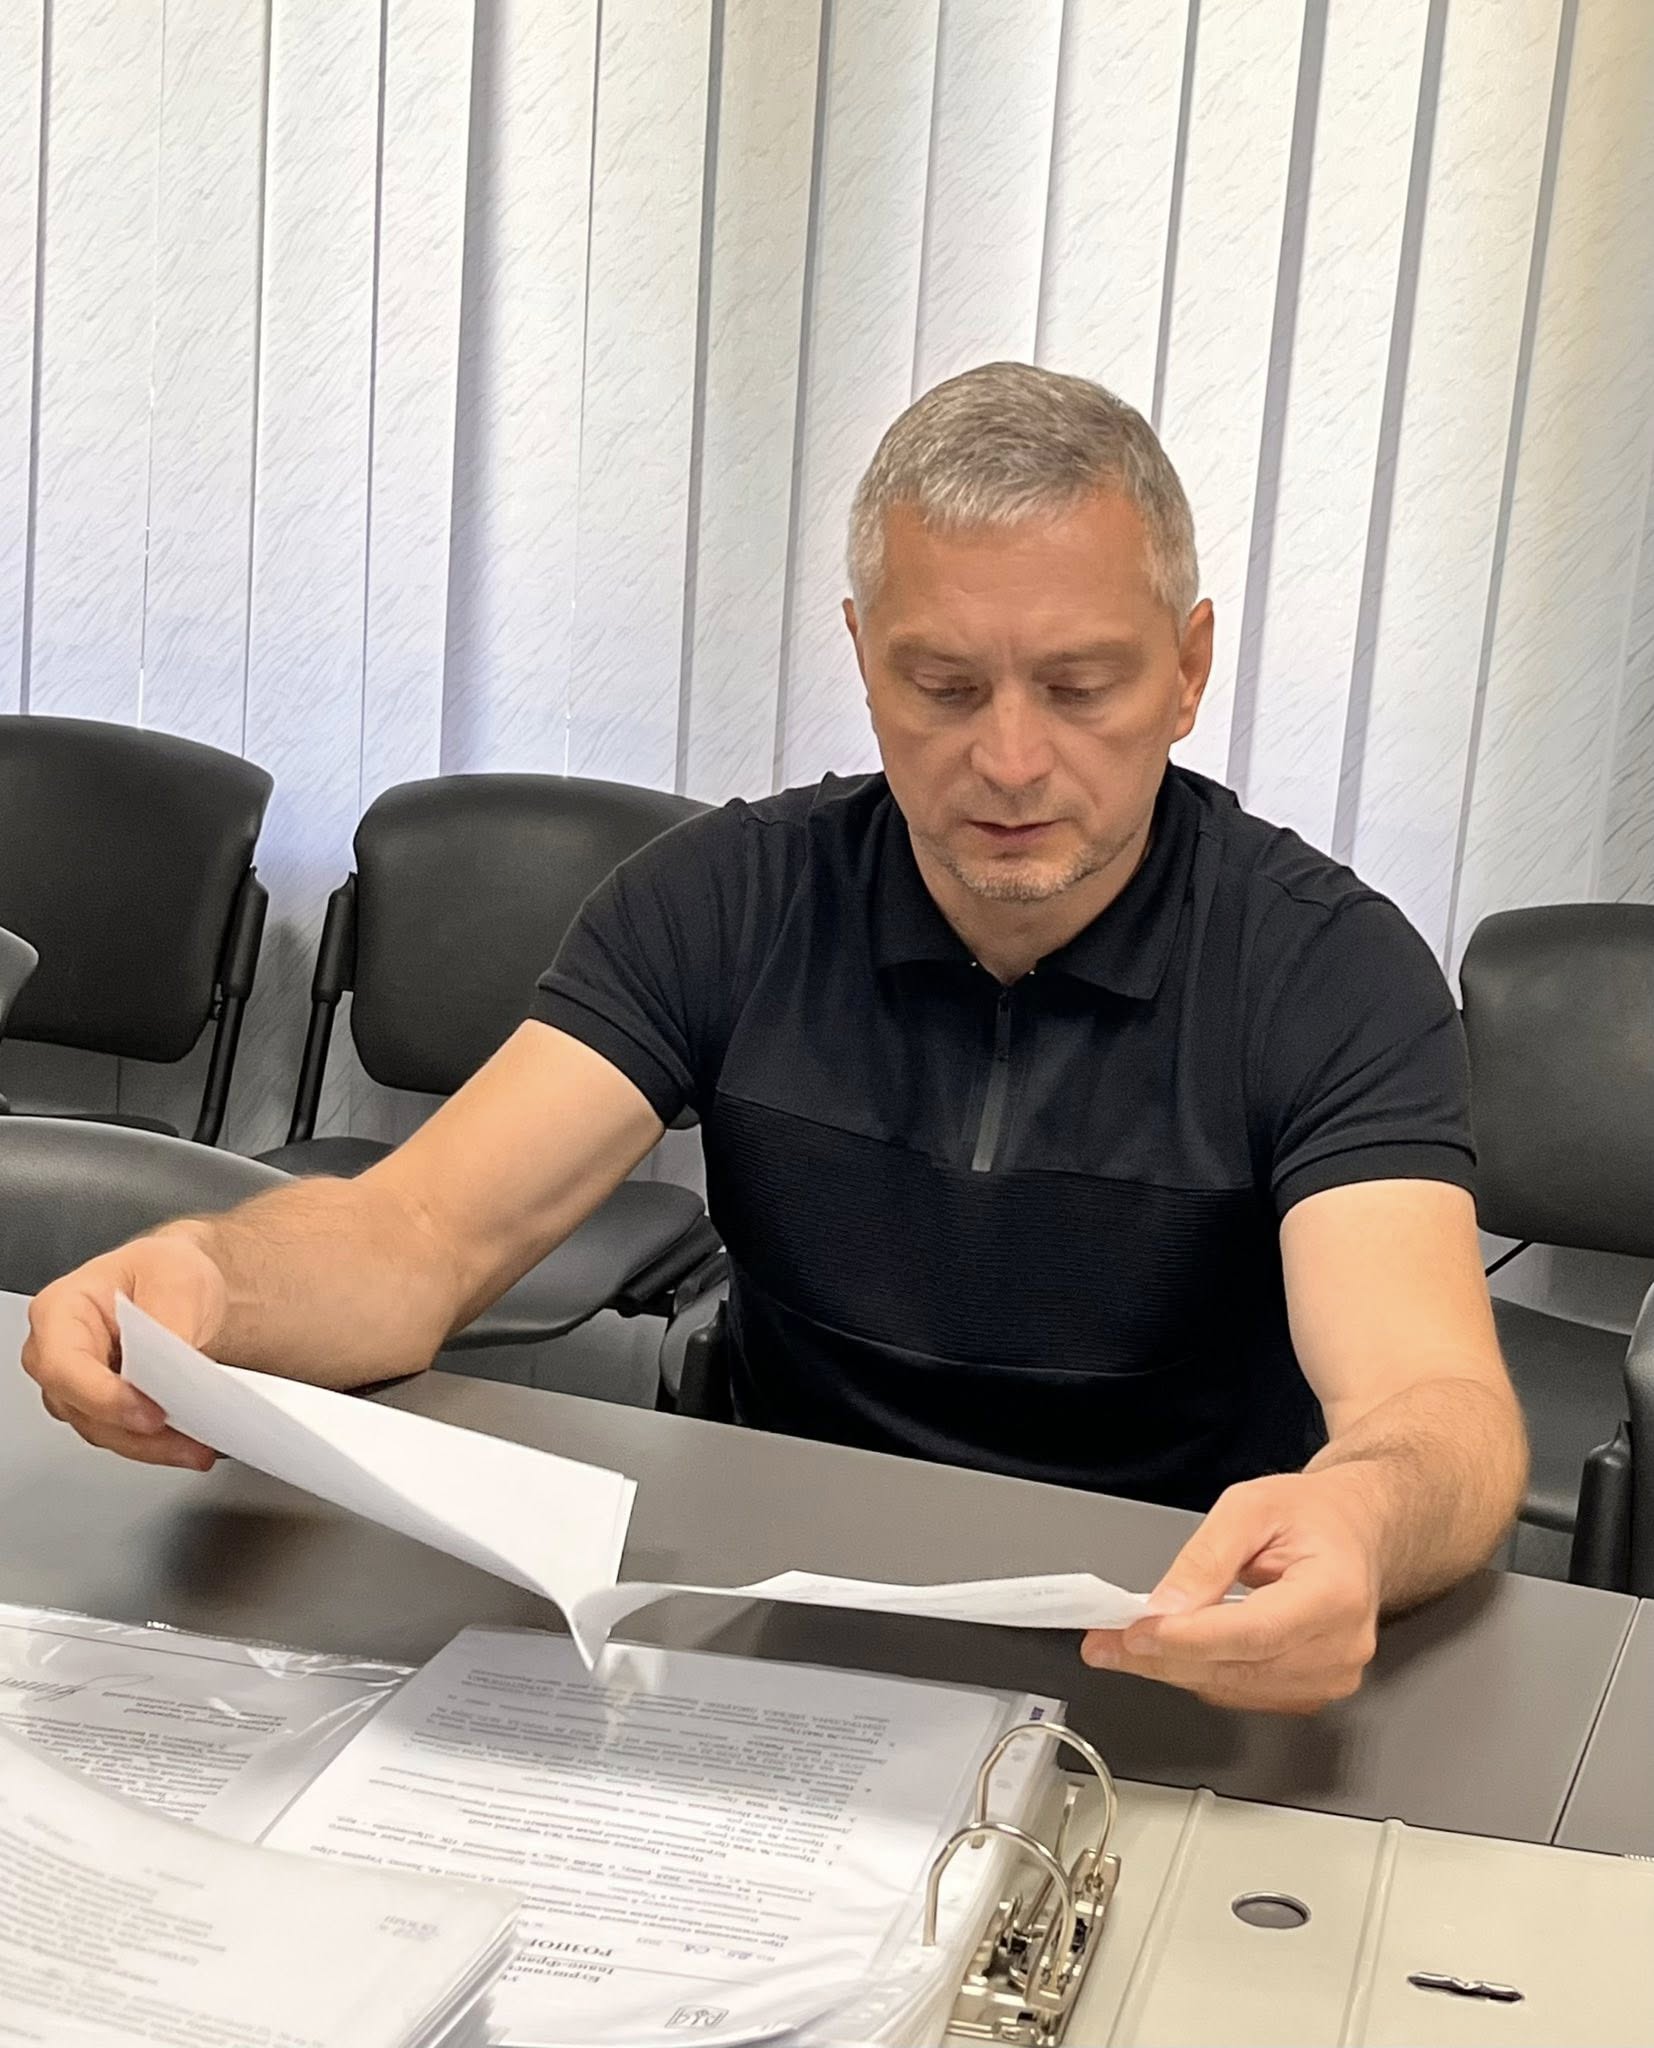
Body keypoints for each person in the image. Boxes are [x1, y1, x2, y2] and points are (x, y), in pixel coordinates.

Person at [20, 362, 1526, 1716]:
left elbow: (1431, 1405)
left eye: (1081, 687)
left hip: (1176, 1621)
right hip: (782, 1605)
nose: (1010, 759)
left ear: (1187, 670)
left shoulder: (1325, 968)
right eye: (942, 687)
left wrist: (1359, 1518)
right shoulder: (725, 899)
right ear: (863, 658)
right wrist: (212, 1279)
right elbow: (419, 1236)